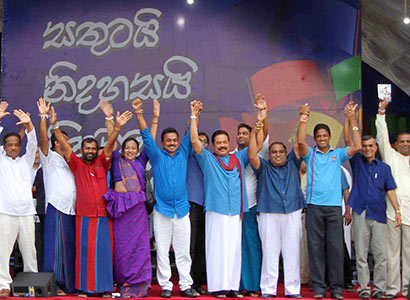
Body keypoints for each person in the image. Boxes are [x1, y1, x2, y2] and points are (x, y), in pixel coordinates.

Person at [51, 103, 132, 295]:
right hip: (84, 216)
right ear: (82, 149)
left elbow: (111, 144)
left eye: (93, 148)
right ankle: (84, 288)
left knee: (103, 253)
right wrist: (54, 126)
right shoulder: (76, 164)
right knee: (85, 254)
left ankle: (104, 289)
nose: (90, 150)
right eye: (87, 148)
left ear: (97, 150)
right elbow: (64, 144)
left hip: (103, 215)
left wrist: (114, 123)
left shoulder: (102, 163)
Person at [190, 100, 265, 298]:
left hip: (236, 212)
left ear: (229, 143)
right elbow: (195, 141)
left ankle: (232, 287)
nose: (222, 145)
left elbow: (255, 145)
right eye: (218, 143)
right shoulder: (207, 159)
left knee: (233, 250)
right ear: (213, 146)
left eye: (225, 142)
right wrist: (194, 115)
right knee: (217, 250)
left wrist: (260, 118)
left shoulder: (239, 157)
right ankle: (218, 287)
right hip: (216, 211)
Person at [134, 98, 198, 298]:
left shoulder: (183, 153)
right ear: (162, 143)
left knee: (183, 251)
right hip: (162, 211)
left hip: (182, 210)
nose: (172, 143)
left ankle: (186, 285)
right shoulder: (156, 156)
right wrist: (139, 113)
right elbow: (146, 135)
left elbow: (191, 134)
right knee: (162, 251)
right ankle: (166, 287)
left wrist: (195, 113)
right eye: (168, 140)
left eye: (174, 140)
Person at [296, 102, 362, 299]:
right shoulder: (310, 154)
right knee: (315, 248)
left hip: (334, 208)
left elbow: (357, 146)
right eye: (319, 136)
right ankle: (318, 288)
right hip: (314, 207)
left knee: (335, 249)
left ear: (329, 138)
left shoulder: (337, 154)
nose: (322, 138)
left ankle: (336, 288)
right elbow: (300, 142)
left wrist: (352, 119)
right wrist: (303, 118)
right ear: (315, 139)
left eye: (325, 136)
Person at [102, 100, 160, 298]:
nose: (130, 150)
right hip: (121, 209)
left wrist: (154, 119)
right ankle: (123, 284)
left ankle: (139, 286)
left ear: (137, 150)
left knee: (139, 247)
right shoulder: (117, 159)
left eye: (133, 148)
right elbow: (112, 141)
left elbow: (149, 141)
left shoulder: (141, 160)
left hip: (138, 212)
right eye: (127, 147)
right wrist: (110, 119)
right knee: (122, 248)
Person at [248, 114, 304, 299]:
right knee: (270, 252)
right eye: (274, 152)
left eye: (281, 151)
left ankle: (292, 289)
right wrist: (256, 129)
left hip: (292, 212)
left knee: (292, 252)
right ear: (269, 154)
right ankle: (268, 289)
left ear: (285, 153)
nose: (278, 154)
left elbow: (299, 143)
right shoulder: (263, 166)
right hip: (268, 213)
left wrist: (303, 119)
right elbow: (251, 154)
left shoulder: (293, 163)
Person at [345, 131, 401, 299]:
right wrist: (350, 119)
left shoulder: (384, 168)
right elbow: (348, 140)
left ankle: (378, 289)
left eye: (371, 146)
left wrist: (397, 210)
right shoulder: (357, 162)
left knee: (380, 255)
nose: (368, 149)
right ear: (361, 148)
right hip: (361, 211)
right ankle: (363, 289)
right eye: (365, 146)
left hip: (378, 214)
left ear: (376, 148)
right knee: (361, 254)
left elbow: (390, 190)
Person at [36, 98, 77, 294]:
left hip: (72, 210)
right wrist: (43, 117)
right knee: (55, 250)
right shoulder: (49, 158)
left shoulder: (72, 161)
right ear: (55, 145)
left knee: (69, 249)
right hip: (56, 208)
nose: (65, 143)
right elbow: (43, 138)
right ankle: (54, 286)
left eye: (67, 140)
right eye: (62, 140)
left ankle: (68, 286)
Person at [0, 102, 38, 298]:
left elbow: (32, 143)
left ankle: (32, 284)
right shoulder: (0, 160)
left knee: (29, 252)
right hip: (5, 212)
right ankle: (3, 285)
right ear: (4, 146)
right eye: (10, 145)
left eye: (16, 144)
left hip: (26, 213)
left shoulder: (27, 160)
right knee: (3, 252)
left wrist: (29, 124)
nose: (14, 147)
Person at [235, 95, 269, 298]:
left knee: (252, 248)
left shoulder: (257, 154)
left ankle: (254, 286)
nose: (241, 136)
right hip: (232, 209)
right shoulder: (230, 155)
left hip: (252, 207)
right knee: (235, 249)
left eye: (245, 133)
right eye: (238, 133)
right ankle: (236, 284)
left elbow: (264, 134)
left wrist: (262, 115)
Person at [376, 99, 410, 298]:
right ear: (396, 144)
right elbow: (381, 136)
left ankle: (406, 289)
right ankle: (392, 288)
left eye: (408, 142)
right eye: (402, 142)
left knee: (408, 254)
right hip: (393, 212)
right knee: (392, 253)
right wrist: (381, 113)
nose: (405, 144)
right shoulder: (391, 157)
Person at [187, 131, 209, 295]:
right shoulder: (188, 157)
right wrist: (194, 115)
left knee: (202, 247)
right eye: (198, 140)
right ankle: (189, 281)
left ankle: (199, 281)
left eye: (204, 141)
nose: (201, 143)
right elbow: (190, 135)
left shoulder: (211, 160)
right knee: (191, 247)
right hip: (192, 206)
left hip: (208, 208)